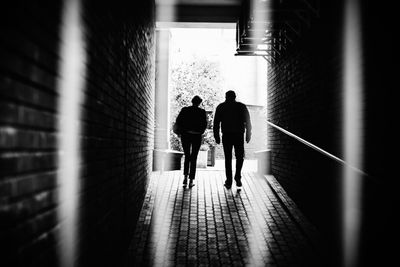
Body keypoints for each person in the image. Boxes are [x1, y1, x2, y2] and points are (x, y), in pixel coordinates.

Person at [213, 90, 252, 190]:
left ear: (226, 97)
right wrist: (248, 134)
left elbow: (216, 123)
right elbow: (248, 121)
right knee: (240, 157)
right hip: (239, 135)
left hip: (226, 135)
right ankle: (237, 176)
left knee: (228, 158)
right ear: (235, 97)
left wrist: (216, 136)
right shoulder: (241, 106)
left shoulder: (221, 107)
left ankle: (229, 180)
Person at [175, 95, 207, 187]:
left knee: (187, 156)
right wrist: (199, 131)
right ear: (199, 102)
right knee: (194, 157)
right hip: (196, 136)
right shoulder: (201, 112)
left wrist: (180, 132)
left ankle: (185, 177)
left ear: (192, 101)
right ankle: (191, 180)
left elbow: (178, 121)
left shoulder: (185, 110)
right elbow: (204, 124)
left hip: (186, 135)